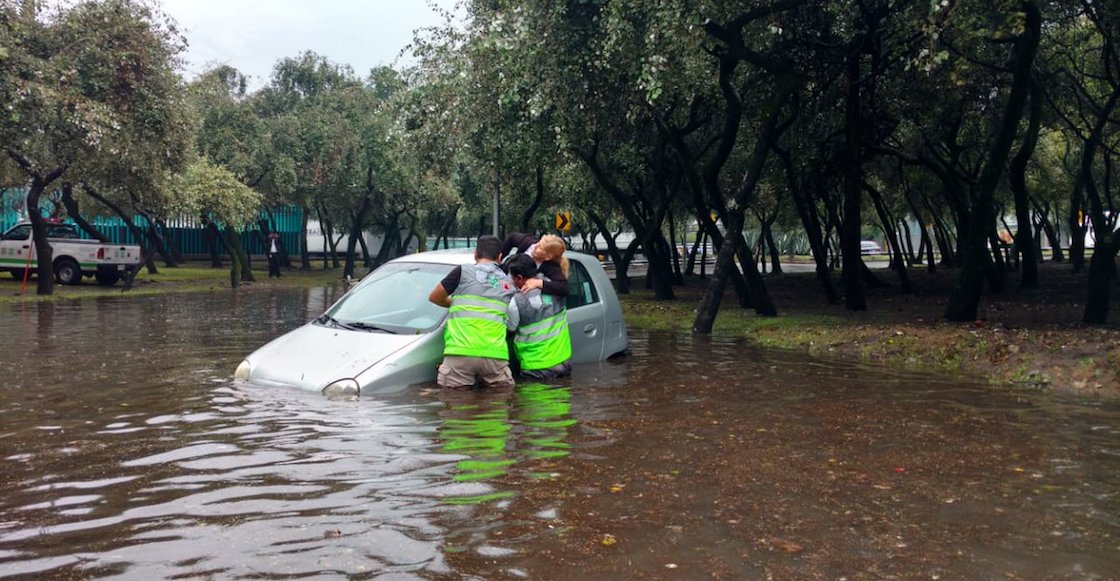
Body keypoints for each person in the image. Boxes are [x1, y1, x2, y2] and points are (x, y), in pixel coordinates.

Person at [428, 235, 518, 389]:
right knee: (498, 405)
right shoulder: (509, 284)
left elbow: (435, 297)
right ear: (500, 257)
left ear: (475, 254)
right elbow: (512, 322)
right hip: (494, 355)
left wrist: (457, 304)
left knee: (456, 404)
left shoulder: (462, 271)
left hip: (460, 352)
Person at [505, 253, 573, 380]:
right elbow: (565, 287)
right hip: (562, 362)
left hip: (535, 368)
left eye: (512, 278)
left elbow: (510, 329)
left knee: (537, 400)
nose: (512, 282)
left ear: (519, 277)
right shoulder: (556, 287)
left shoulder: (516, 301)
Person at [500, 232, 569, 297]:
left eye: (540, 247)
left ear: (548, 257)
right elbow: (512, 238)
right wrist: (500, 257)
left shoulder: (550, 267)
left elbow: (563, 288)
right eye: (539, 242)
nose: (535, 246)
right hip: (502, 284)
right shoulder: (527, 243)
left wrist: (539, 283)